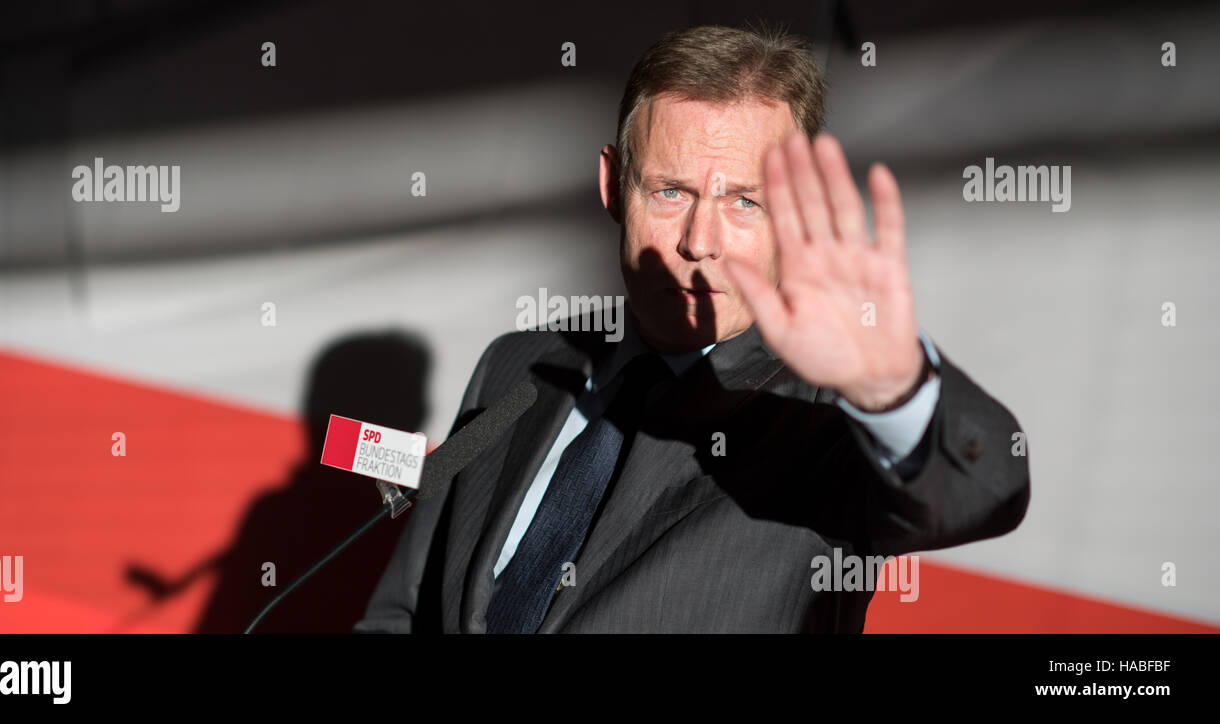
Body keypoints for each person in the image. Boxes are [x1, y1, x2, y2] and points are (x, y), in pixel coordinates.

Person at [355, 24, 1029, 633]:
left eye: (744, 201)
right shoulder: (516, 364)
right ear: (613, 184)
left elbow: (987, 490)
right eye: (670, 191)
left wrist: (897, 389)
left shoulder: (825, 415)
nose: (700, 241)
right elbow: (403, 610)